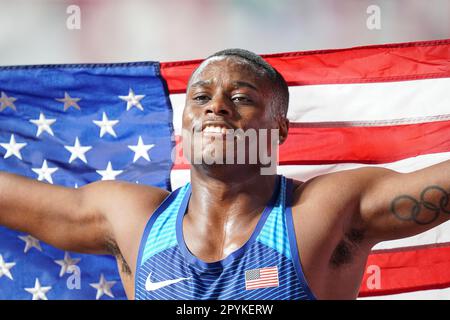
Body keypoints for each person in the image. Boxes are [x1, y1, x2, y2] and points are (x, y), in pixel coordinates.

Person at [0, 48, 449, 300]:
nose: (217, 106)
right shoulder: (131, 218)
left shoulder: (324, 211)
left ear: (278, 129)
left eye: (241, 97)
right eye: (200, 98)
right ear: (184, 125)